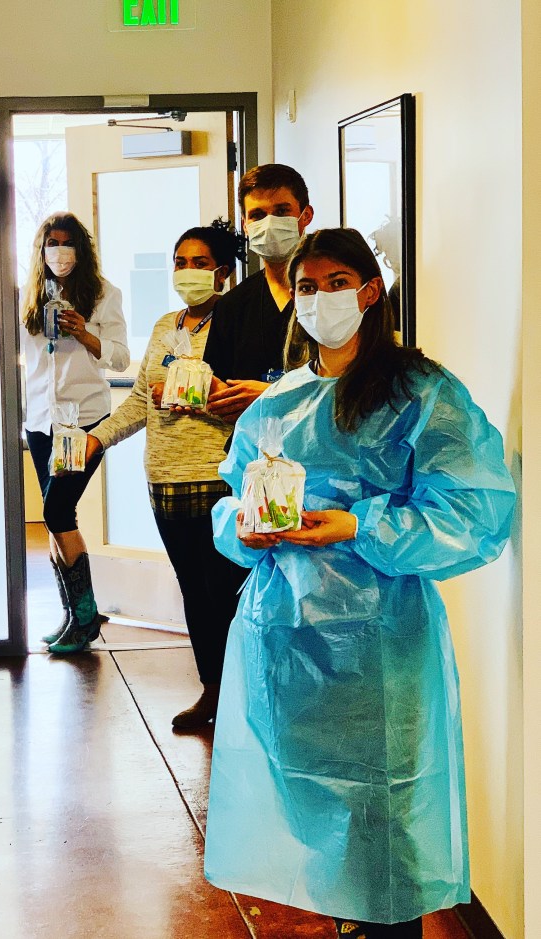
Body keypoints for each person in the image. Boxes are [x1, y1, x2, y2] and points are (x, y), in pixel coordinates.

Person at [204, 229, 515, 938]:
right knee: (315, 806)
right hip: (285, 637)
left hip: (378, 640)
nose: (320, 298)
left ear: (370, 291)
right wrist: (244, 528)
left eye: (336, 282)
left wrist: (357, 525)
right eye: (306, 287)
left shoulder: (418, 393)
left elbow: (474, 509)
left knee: (383, 814)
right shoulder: (277, 403)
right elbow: (232, 501)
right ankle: (350, 922)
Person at [85, 222, 247, 728]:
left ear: (223, 272)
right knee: (194, 594)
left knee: (225, 594)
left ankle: (242, 699)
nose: (188, 272)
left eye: (200, 263)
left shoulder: (238, 323)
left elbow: (249, 402)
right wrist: (97, 439)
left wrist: (187, 396)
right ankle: (211, 691)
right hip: (165, 481)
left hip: (217, 477)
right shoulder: (164, 326)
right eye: (180, 263)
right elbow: (141, 400)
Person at [21, 212, 129, 655]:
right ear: (41, 249)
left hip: (83, 421)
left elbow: (120, 358)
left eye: (67, 243)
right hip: (40, 421)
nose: (59, 251)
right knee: (57, 519)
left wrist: (84, 333)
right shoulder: (27, 296)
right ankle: (73, 615)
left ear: (81, 249)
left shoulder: (103, 293)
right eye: (52, 243)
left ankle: (86, 618)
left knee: (56, 511)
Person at [203, 163, 314, 423]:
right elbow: (216, 385)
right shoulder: (232, 306)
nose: (269, 223)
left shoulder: (335, 295)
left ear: (306, 215)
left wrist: (270, 396)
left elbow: (353, 385)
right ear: (245, 224)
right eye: (258, 215)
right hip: (251, 443)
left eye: (282, 211)